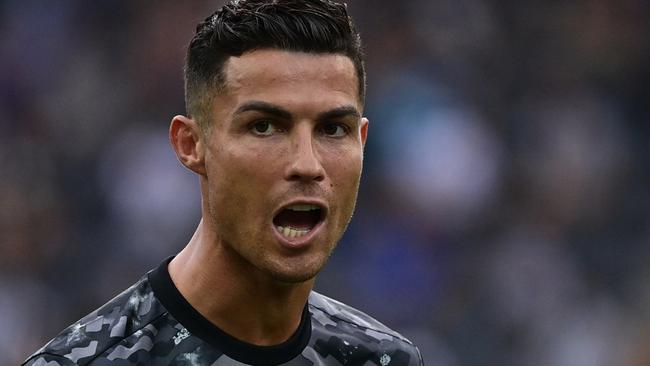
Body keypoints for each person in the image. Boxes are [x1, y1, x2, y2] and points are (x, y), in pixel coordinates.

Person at [23, 0, 423, 365]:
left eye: (333, 128)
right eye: (264, 126)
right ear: (191, 145)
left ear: (362, 142)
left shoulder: (384, 360)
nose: (307, 164)